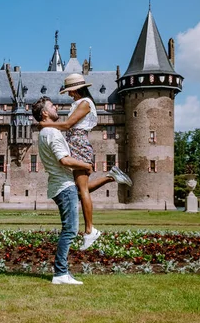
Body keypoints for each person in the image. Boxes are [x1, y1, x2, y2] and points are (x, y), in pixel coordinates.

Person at [32, 96, 127, 284]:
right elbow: (64, 160)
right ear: (44, 113)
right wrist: (85, 165)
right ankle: (60, 274)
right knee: (70, 230)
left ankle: (111, 177)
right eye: (52, 106)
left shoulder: (46, 133)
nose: (56, 107)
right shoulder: (51, 133)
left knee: (83, 193)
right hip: (63, 186)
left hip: (61, 184)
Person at [39, 73, 132, 250]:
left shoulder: (85, 103)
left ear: (76, 89)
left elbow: (68, 125)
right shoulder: (79, 103)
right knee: (78, 190)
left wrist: (46, 125)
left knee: (81, 191)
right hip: (75, 142)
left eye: (70, 91)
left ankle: (90, 231)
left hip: (79, 143)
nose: (69, 95)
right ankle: (110, 176)